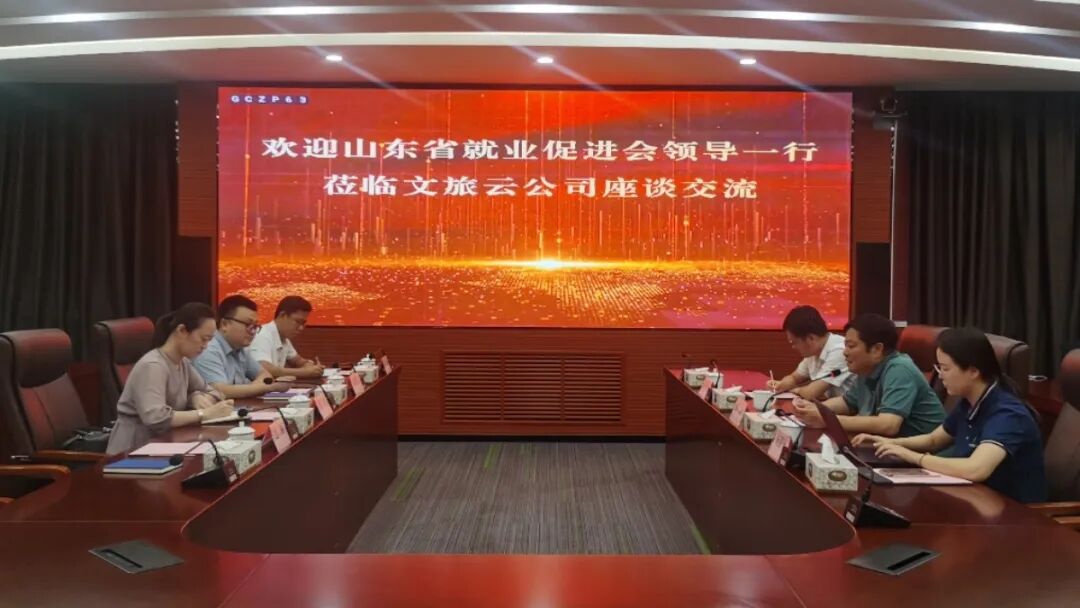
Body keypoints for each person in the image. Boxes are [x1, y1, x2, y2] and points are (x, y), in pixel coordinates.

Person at [853, 327, 1047, 503]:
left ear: (973, 371)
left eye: (945, 368)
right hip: (977, 499)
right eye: (938, 367)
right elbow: (933, 440)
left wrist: (914, 457)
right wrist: (890, 443)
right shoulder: (969, 402)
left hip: (1015, 512)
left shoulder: (1008, 414)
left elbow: (976, 469)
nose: (940, 375)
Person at [106, 303, 236, 455]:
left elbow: (215, 392)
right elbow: (156, 418)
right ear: (182, 330)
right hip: (133, 451)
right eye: (203, 339)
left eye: (209, 340)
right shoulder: (153, 365)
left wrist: (194, 396)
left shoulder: (183, 363)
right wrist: (204, 414)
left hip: (166, 443)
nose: (205, 346)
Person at [793, 313, 945, 437]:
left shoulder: (900, 369)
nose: (845, 352)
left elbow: (888, 425)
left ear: (877, 349)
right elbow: (847, 403)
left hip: (925, 454)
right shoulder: (866, 368)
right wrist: (813, 409)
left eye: (851, 346)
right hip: (888, 446)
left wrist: (827, 419)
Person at [192, 295, 289, 398]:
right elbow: (220, 391)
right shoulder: (208, 349)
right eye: (248, 324)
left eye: (255, 326)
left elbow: (265, 375)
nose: (253, 332)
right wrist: (266, 388)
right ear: (224, 324)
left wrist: (253, 388)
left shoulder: (240, 348)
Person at [767, 305, 854, 400]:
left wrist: (795, 390)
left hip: (850, 408)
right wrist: (780, 385)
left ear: (811, 338)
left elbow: (811, 393)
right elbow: (794, 377)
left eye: (794, 342)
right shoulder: (813, 352)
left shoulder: (839, 351)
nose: (793, 347)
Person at [249, 295, 324, 379]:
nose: (301, 328)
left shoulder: (284, 337)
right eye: (298, 321)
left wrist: (308, 365)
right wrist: (304, 372)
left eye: (303, 323)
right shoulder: (262, 335)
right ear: (282, 315)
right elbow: (263, 368)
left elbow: (297, 360)